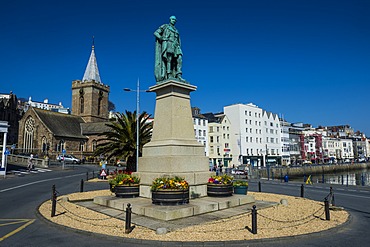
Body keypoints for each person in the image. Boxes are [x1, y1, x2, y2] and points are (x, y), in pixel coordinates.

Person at [154, 16, 185, 83]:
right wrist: (161, 38)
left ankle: (179, 75)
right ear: (170, 20)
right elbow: (156, 33)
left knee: (179, 59)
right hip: (169, 43)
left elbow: (178, 39)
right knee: (169, 59)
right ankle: (169, 74)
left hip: (176, 45)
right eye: (172, 19)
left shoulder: (176, 30)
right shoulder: (165, 26)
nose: (174, 21)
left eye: (175, 20)